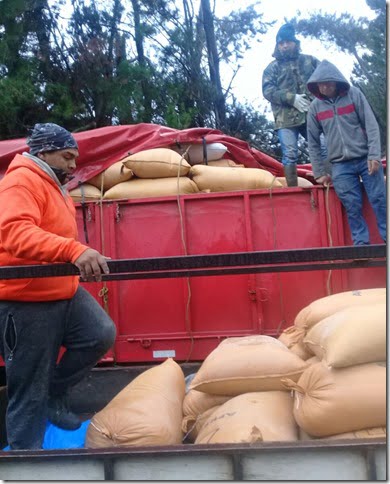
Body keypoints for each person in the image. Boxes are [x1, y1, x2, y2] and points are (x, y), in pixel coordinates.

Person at [0, 123, 117, 449]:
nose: (72, 164)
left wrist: (77, 258)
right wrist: (73, 251)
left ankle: (54, 392)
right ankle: (25, 464)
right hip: (26, 298)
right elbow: (14, 233)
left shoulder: (54, 185)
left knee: (99, 333)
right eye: (67, 156)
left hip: (60, 289)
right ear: (44, 152)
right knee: (28, 392)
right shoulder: (20, 181)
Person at [306, 60, 387, 245]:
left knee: (380, 200)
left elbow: (371, 125)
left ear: (336, 82)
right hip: (340, 165)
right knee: (352, 206)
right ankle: (361, 245)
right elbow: (313, 141)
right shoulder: (315, 108)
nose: (325, 86)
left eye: (329, 82)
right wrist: (319, 172)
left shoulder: (354, 95)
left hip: (365, 158)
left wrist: (374, 155)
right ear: (316, 85)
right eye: (322, 83)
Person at [262, 23, 323, 186]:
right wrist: (291, 98)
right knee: (289, 154)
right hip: (285, 119)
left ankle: (329, 182)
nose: (284, 45)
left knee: (323, 147)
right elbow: (268, 91)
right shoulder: (272, 68)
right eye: (281, 43)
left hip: (311, 114)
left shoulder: (310, 61)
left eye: (288, 42)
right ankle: (293, 190)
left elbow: (326, 78)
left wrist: (319, 102)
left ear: (295, 42)